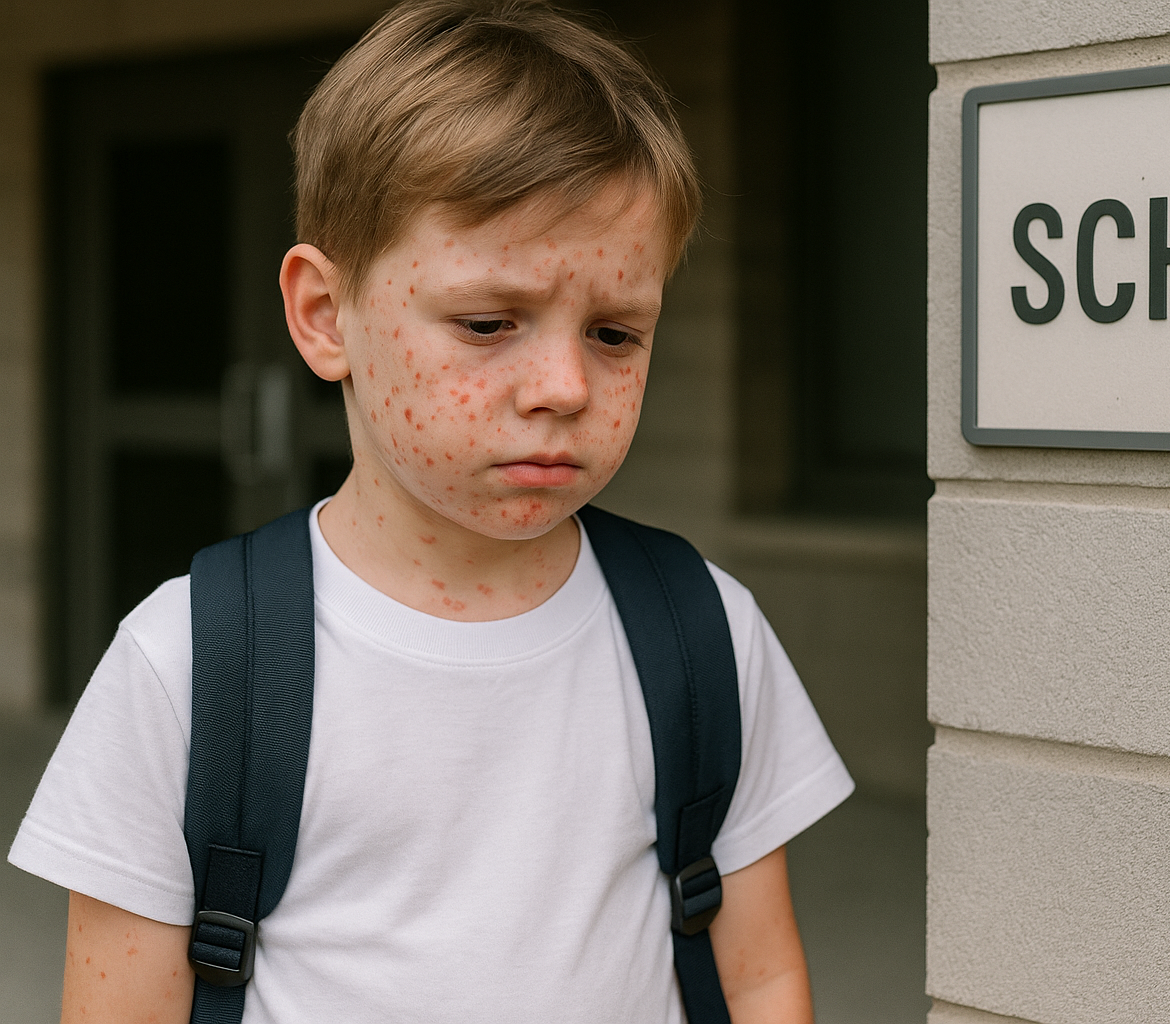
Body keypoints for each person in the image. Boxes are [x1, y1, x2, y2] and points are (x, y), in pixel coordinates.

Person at [7, 2, 853, 1021]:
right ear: (326, 316)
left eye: (616, 334)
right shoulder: (188, 665)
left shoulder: (700, 631)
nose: (565, 386)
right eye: (490, 321)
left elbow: (758, 975)